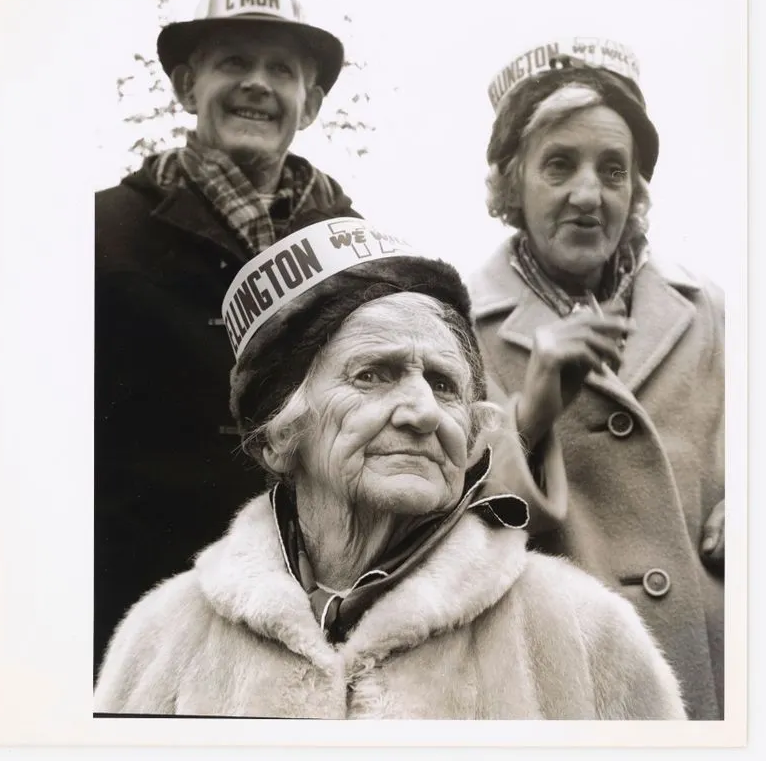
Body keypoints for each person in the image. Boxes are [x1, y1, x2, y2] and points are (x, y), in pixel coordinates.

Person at [93, 218, 686, 720]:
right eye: (372, 374)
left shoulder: (586, 634)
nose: (424, 412)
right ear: (279, 438)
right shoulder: (164, 638)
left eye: (445, 384)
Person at [95, 0, 361, 675]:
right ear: (186, 87)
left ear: (311, 103)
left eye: (282, 69)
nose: (257, 84)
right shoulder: (98, 232)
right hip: (137, 623)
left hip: (311, 623)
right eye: (233, 62)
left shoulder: (356, 250)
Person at [468, 38, 724, 720]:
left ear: (636, 189)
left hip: (716, 685)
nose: (589, 194)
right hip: (561, 688)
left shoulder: (708, 310)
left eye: (613, 169)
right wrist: (532, 412)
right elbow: (452, 530)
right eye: (558, 165)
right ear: (510, 184)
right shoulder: (459, 327)